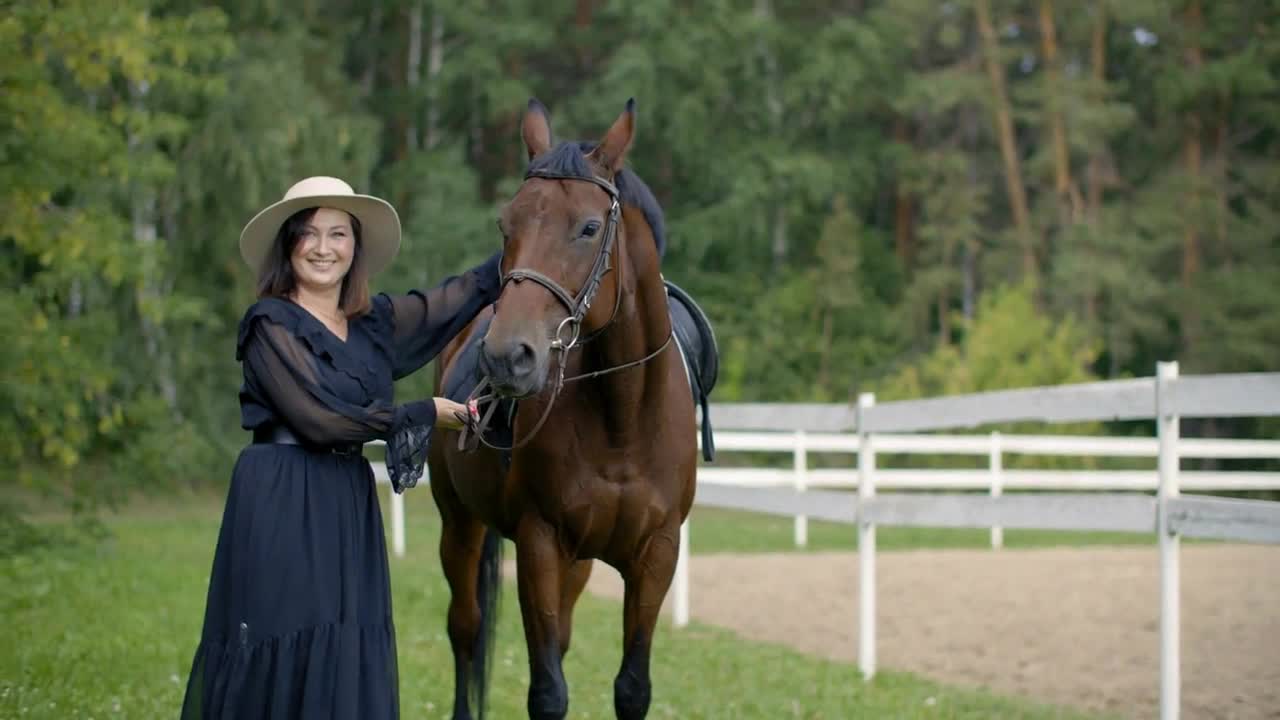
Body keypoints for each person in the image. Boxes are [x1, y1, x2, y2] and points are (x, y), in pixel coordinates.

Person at [180, 176, 500, 719]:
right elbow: (319, 420)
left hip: (344, 499)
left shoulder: (375, 323)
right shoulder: (269, 324)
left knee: (344, 637)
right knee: (282, 633)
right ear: (288, 245)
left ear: (356, 247)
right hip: (280, 496)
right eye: (308, 233)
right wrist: (422, 414)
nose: (323, 248)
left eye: (338, 234)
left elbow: (453, 298)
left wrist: (528, 239)